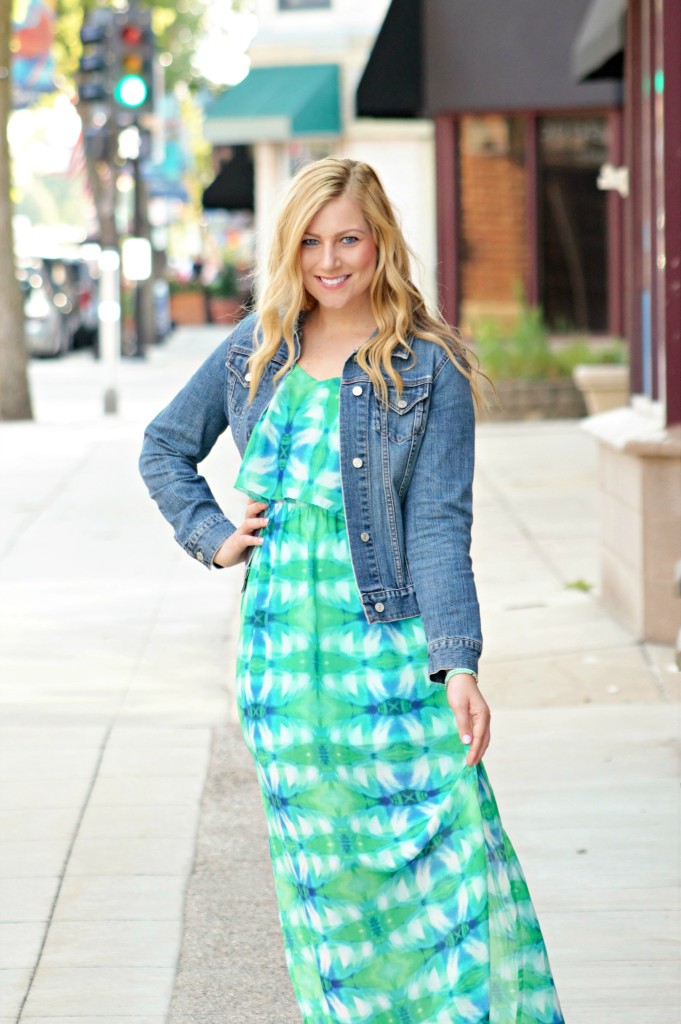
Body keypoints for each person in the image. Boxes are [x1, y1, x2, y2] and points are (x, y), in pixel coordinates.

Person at [139, 157, 564, 1024]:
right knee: (327, 903)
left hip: (393, 656)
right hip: (285, 670)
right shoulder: (256, 350)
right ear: (289, 249)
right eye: (310, 242)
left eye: (348, 240)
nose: (329, 261)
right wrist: (214, 538)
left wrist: (458, 666)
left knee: (449, 872)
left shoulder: (428, 367)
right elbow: (163, 448)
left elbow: (440, 524)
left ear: (380, 244)